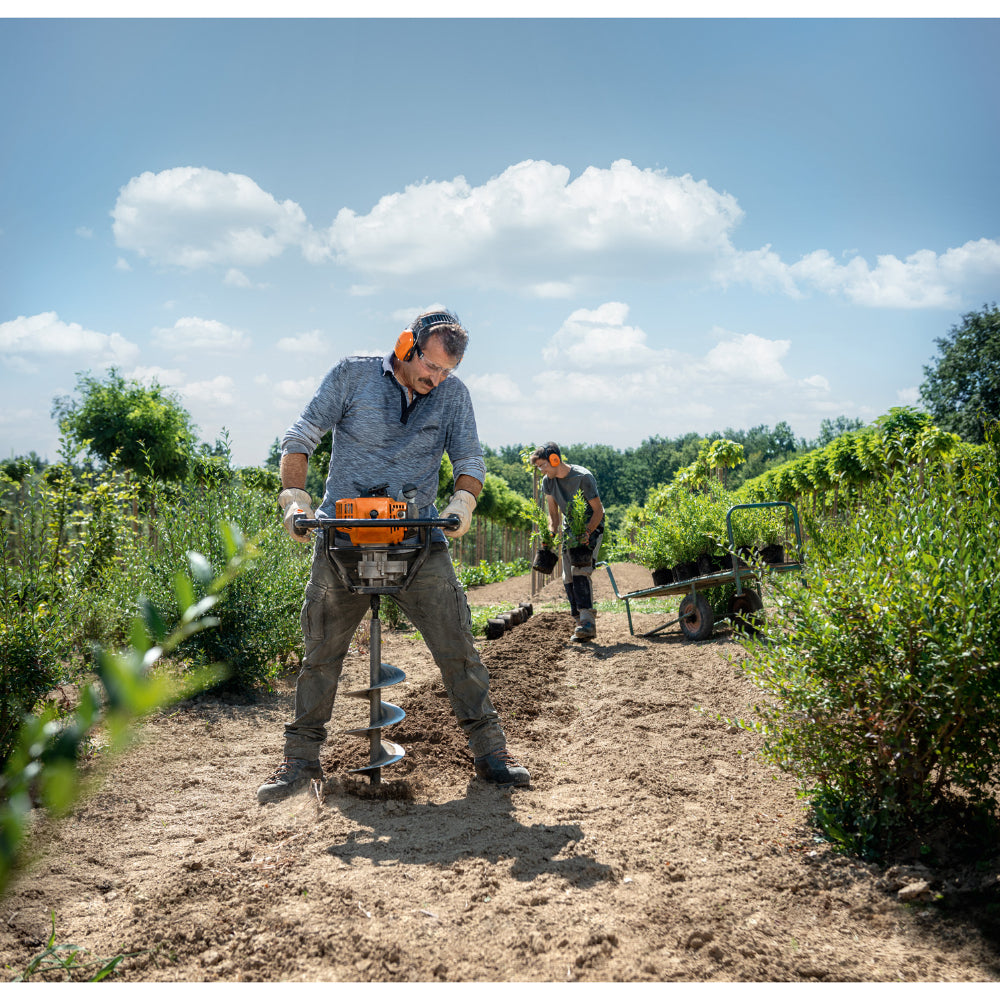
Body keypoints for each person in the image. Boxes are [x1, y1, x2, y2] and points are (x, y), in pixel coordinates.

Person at [258, 309, 530, 804]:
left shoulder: (453, 397)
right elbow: (300, 439)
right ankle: (299, 761)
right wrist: (295, 501)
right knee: (321, 653)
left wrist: (462, 501)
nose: (437, 378)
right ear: (408, 345)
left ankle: (491, 754)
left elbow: (469, 461)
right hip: (343, 536)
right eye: (431, 366)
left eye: (447, 372)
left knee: (458, 646)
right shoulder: (352, 375)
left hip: (417, 537)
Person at [530, 443, 605, 642]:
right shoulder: (548, 482)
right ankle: (579, 621)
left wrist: (588, 532)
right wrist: (549, 538)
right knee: (567, 576)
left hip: (591, 525)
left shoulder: (583, 477)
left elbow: (599, 511)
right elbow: (553, 517)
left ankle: (588, 621)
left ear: (555, 459)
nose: (541, 470)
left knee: (581, 570)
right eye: (538, 467)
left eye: (543, 465)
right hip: (570, 529)